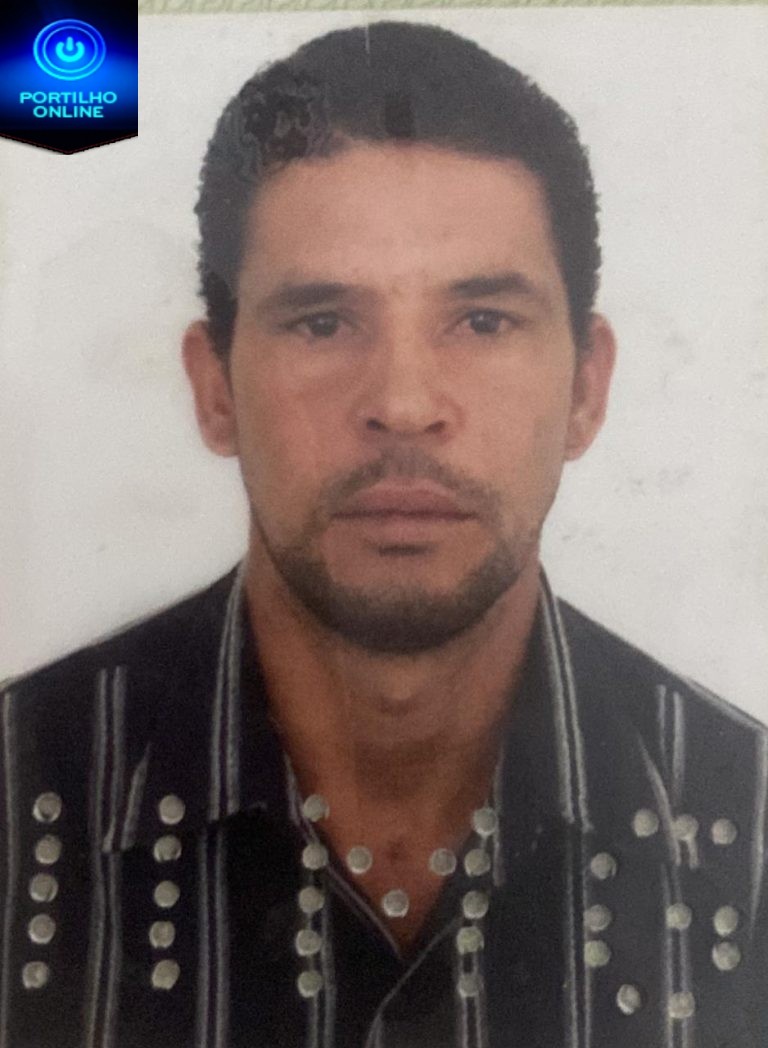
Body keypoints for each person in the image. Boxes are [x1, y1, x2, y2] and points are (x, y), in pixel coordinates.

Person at [1, 20, 765, 1048]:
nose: (403, 404)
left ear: (586, 390)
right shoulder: (20, 795)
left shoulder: (750, 831)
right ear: (215, 388)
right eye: (322, 322)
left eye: (482, 321)